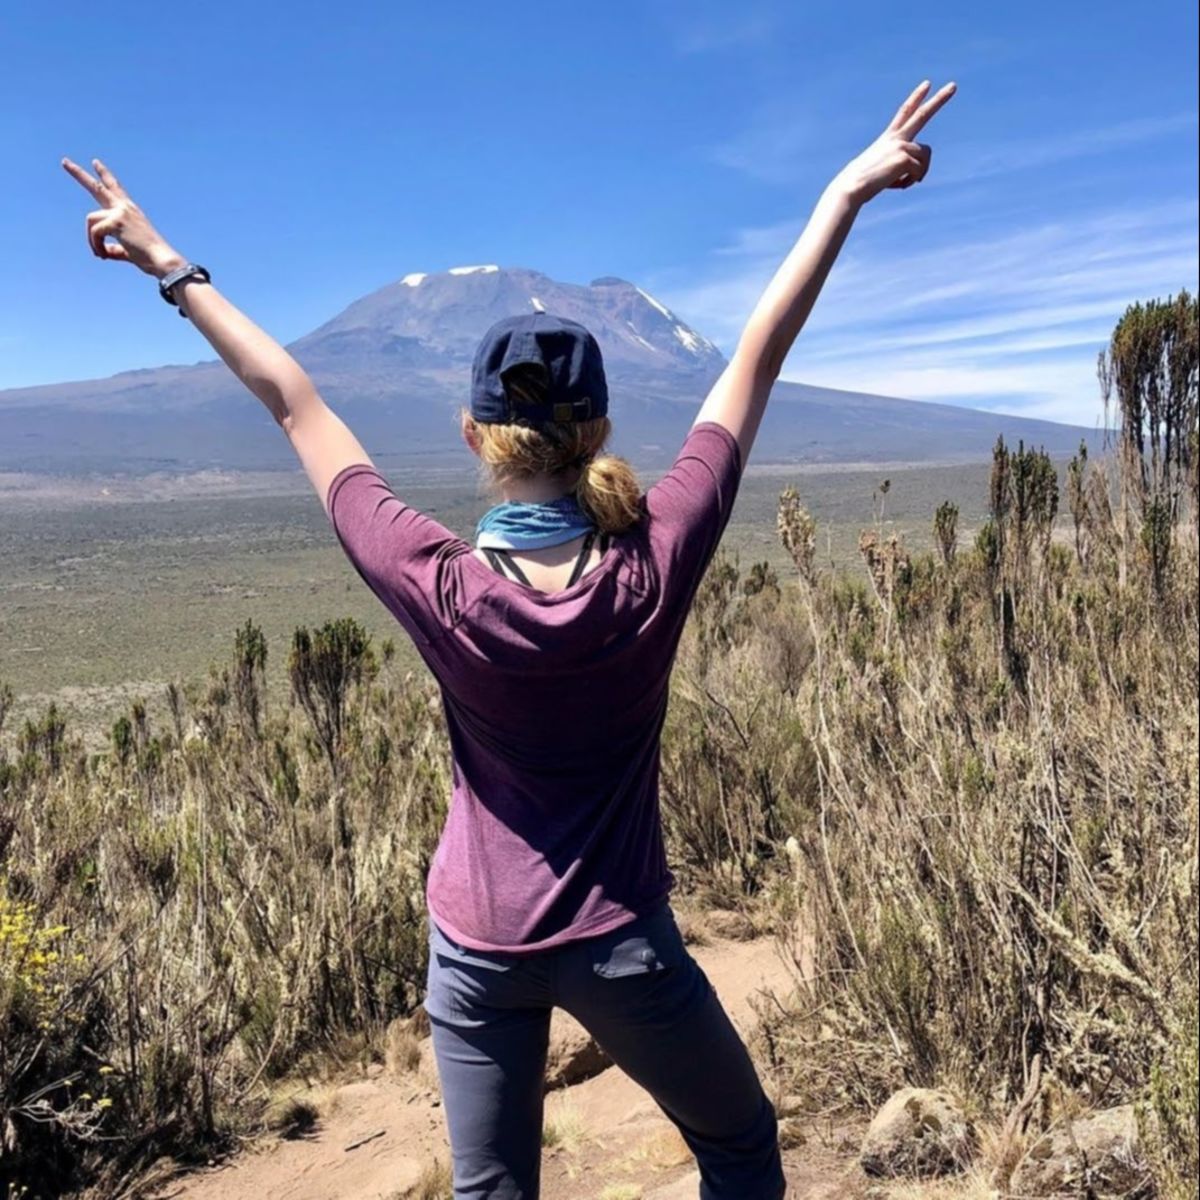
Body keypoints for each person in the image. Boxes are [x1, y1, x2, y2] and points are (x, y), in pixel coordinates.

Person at [63, 78, 955, 1200]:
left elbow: (294, 402)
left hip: (476, 951)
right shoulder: (653, 558)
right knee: (737, 1146)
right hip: (624, 943)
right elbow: (754, 362)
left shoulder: (437, 585)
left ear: (475, 433)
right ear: (600, 431)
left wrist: (168, 265)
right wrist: (842, 193)